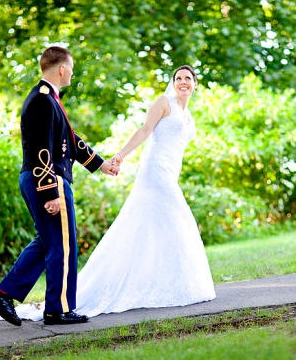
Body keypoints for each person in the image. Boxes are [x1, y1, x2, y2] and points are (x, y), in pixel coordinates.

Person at [12, 65, 216, 321]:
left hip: (169, 174)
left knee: (155, 226)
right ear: (173, 83)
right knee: (179, 219)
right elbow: (144, 131)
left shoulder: (188, 117)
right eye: (178, 78)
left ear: (195, 84)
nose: (183, 82)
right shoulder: (164, 103)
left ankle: (164, 283)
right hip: (155, 172)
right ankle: (59, 303)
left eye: (188, 78)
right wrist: (119, 156)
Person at [0, 46, 119, 326]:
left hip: (41, 178)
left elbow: (69, 139)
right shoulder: (42, 101)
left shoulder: (48, 100)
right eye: (70, 67)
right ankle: (58, 309)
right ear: (61, 69)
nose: (72, 72)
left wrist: (100, 164)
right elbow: (39, 149)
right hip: (48, 179)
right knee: (63, 246)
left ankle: (3, 293)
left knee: (49, 242)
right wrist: (50, 192)